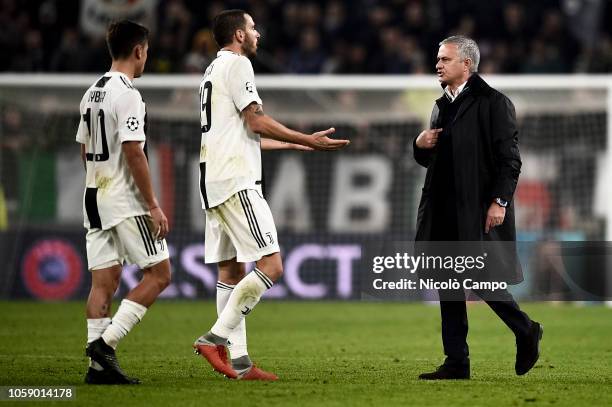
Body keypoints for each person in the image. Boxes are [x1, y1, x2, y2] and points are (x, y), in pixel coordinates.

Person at [192, 9, 350, 381]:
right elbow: (255, 121)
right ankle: (213, 337)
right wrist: (305, 137)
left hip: (212, 178)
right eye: (252, 27)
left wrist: (290, 147)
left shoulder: (212, 71)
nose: (258, 33)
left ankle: (241, 363)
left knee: (230, 270)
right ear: (239, 35)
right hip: (236, 181)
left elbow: (239, 135)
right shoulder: (239, 65)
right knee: (272, 265)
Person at [413, 35, 543, 380]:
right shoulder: (441, 105)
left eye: (445, 59)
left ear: (466, 64)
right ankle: (457, 361)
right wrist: (419, 145)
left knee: (478, 278)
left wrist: (499, 201)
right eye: (438, 59)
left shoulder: (494, 103)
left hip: (476, 209)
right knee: (448, 282)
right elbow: (437, 160)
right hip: (443, 209)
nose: (437, 64)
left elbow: (509, 161)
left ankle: (526, 328)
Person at [76, 20, 171, 385]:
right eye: (146, 51)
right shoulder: (128, 93)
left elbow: (85, 149)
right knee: (160, 275)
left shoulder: (91, 92)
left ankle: (97, 370)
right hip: (125, 199)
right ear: (138, 51)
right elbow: (133, 150)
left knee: (104, 282)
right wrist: (152, 204)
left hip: (93, 195)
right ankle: (106, 345)